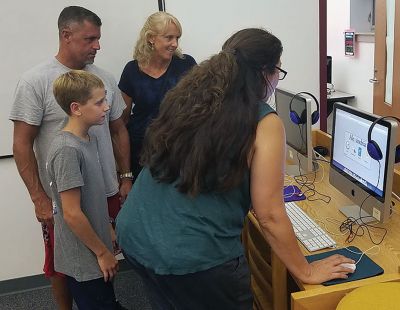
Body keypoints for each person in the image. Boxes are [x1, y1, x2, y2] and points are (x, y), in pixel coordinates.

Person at [116, 28, 355, 309]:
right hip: (190, 255)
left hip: (136, 232)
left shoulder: (189, 98)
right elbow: (269, 215)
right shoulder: (263, 121)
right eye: (279, 70)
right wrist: (306, 270)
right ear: (265, 72)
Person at [9, 6, 131, 310]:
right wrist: (38, 197)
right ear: (67, 35)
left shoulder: (103, 79)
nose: (98, 46)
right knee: (63, 264)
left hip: (105, 190)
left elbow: (119, 130)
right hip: (64, 199)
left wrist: (125, 177)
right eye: (90, 39)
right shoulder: (35, 81)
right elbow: (22, 144)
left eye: (98, 39)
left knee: (104, 256)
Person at [47, 70, 120, 309]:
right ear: (76, 108)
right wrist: (101, 253)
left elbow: (93, 196)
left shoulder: (90, 139)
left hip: (95, 248)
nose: (107, 107)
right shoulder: (68, 150)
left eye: (105, 100)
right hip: (85, 258)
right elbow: (71, 213)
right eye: (99, 102)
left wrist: (107, 227)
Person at [118, 11, 196, 180]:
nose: (174, 44)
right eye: (169, 37)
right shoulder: (132, 70)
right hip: (141, 153)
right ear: (151, 38)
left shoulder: (186, 64)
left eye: (177, 38)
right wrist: (125, 174)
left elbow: (199, 109)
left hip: (179, 153)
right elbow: (121, 123)